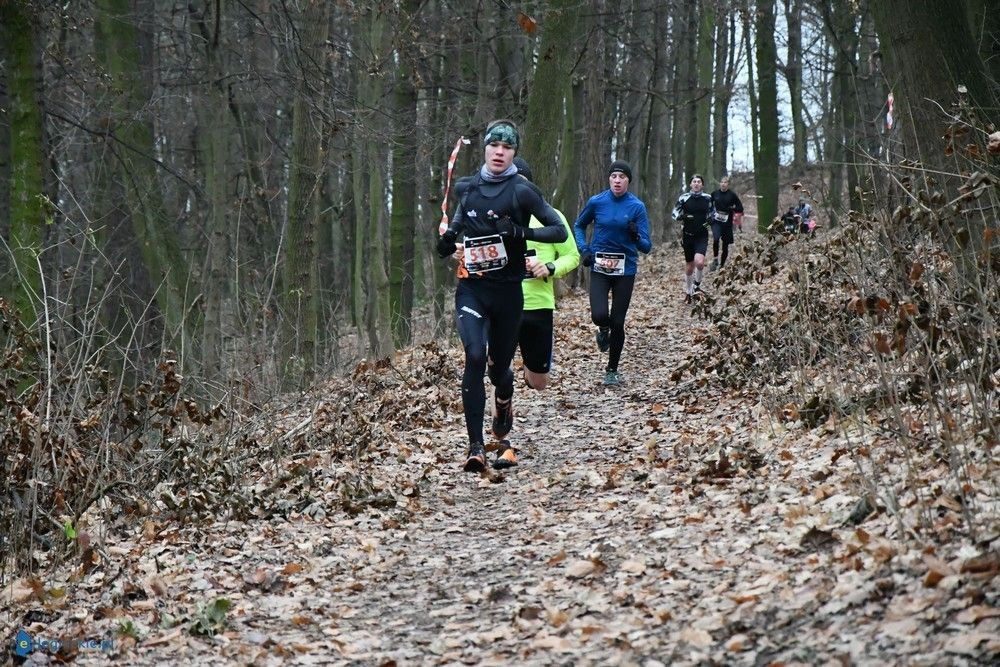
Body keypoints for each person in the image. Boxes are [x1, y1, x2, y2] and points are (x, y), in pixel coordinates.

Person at [436, 119, 567, 473]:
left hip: (509, 294)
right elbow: (454, 233)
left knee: (498, 372)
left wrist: (520, 231)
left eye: (507, 148)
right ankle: (475, 446)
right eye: (494, 145)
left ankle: (504, 402)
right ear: (485, 149)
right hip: (473, 289)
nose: (499, 152)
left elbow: (556, 230)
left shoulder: (522, 191)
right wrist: (448, 243)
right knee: (475, 355)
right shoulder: (468, 189)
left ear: (513, 154)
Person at [573, 160, 653, 387]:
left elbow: (647, 246)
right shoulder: (596, 202)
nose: (617, 181)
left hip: (625, 270)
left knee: (618, 321)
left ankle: (612, 370)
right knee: (599, 315)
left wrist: (636, 235)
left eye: (622, 177)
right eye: (614, 177)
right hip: (599, 266)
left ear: (628, 180)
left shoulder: (637, 207)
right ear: (609, 179)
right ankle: (603, 329)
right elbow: (579, 225)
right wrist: (584, 249)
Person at [672, 174, 715, 303]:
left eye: (699, 182)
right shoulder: (684, 198)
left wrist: (708, 223)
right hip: (688, 235)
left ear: (702, 185)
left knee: (700, 262)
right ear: (690, 184)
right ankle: (689, 290)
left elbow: (714, 214)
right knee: (690, 266)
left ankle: (697, 284)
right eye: (694, 182)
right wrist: (682, 217)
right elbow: (674, 213)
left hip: (701, 235)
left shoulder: (708, 198)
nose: (696, 184)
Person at [709, 176, 744, 271]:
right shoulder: (714, 194)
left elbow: (740, 208)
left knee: (725, 244)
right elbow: (709, 205)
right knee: (716, 238)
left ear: (728, 184)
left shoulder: (732, 195)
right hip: (716, 221)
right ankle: (715, 259)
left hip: (727, 223)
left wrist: (732, 208)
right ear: (719, 183)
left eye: (725, 182)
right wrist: (710, 214)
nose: (723, 184)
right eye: (721, 182)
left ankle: (722, 264)